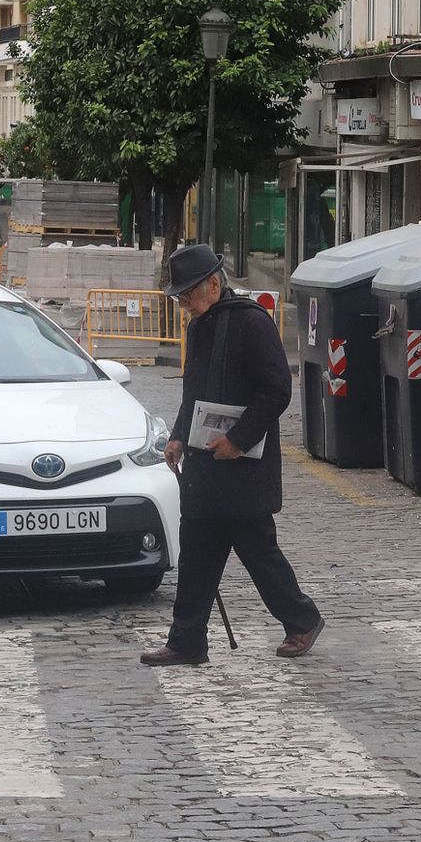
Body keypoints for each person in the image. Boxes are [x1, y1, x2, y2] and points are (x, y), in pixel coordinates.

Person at [141, 244, 324, 667]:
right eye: (179, 297)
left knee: (258, 553)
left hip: (244, 466)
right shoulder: (198, 327)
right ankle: (187, 641)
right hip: (204, 467)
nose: (183, 304)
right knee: (197, 553)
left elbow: (276, 391)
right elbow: (194, 390)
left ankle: (302, 619)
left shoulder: (252, 324)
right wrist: (178, 435)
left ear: (214, 284)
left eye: (188, 295)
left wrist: (238, 440)